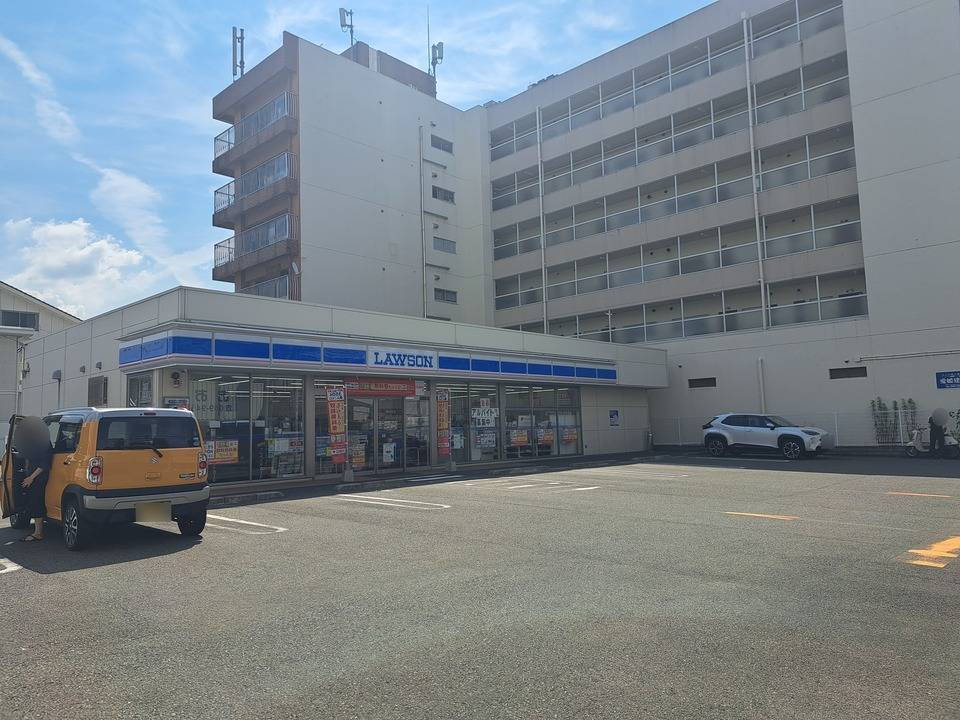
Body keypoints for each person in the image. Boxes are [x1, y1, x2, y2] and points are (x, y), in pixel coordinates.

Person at [17, 417, 52, 542]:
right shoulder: (35, 441)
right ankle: (37, 531)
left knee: (37, 503)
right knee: (34, 502)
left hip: (39, 479)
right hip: (33, 478)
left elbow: (44, 464)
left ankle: (38, 533)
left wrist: (31, 478)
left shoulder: (44, 443)